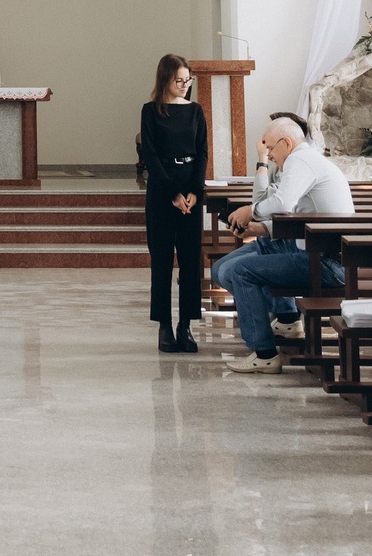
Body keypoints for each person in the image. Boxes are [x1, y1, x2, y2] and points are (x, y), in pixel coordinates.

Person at [217, 113, 354, 373]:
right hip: (316, 251)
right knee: (230, 268)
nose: (267, 154)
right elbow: (299, 215)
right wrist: (262, 227)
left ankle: (265, 353)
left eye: (269, 147)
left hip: (327, 263)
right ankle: (277, 325)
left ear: (287, 143)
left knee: (241, 271)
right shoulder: (306, 158)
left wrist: (250, 210)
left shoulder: (300, 160)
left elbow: (282, 203)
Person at [138, 54, 209, 354]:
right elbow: (151, 156)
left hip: (190, 188)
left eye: (187, 80)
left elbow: (203, 152)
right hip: (162, 191)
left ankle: (186, 326)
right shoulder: (151, 111)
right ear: (165, 80)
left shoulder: (196, 111)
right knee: (163, 260)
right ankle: (165, 327)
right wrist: (173, 193)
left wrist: (195, 191)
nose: (184, 85)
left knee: (191, 261)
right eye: (178, 80)